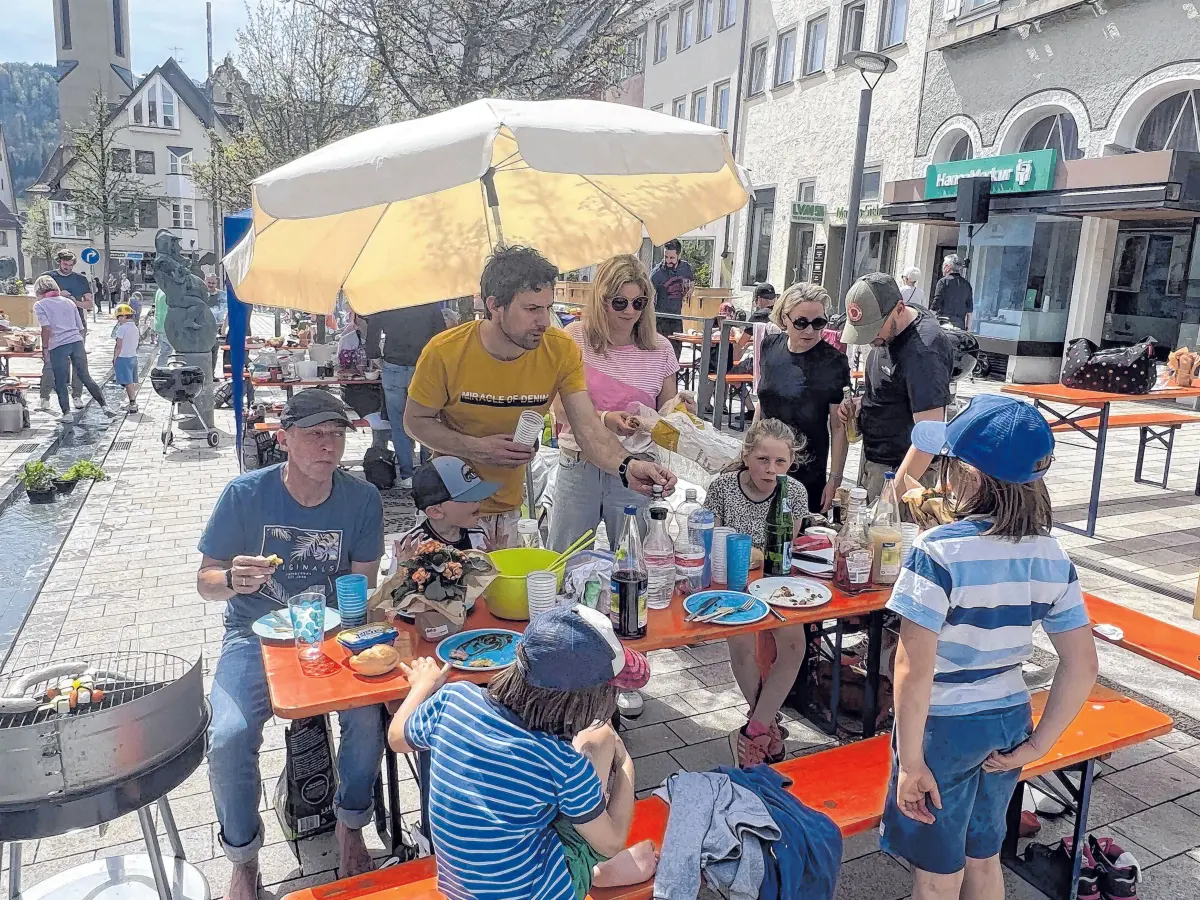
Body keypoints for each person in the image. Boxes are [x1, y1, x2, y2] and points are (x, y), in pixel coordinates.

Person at [880, 394, 1098, 900]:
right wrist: (1040, 744)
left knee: (937, 872)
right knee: (983, 857)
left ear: (970, 478)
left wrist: (910, 763)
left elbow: (912, 667)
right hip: (1008, 720)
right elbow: (1083, 664)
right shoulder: (1051, 554)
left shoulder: (937, 550)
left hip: (943, 727)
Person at [197, 389, 385, 900]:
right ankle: (243, 857)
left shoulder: (362, 498)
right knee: (228, 736)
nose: (328, 445)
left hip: (333, 631)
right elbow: (205, 581)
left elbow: (363, 585)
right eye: (314, 433)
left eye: (337, 434)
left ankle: (351, 823)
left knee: (367, 717)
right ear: (283, 440)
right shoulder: (245, 494)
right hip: (254, 633)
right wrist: (231, 579)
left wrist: (359, 627)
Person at [405, 245, 677, 550]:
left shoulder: (559, 349)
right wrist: (478, 448)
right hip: (447, 509)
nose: (545, 321)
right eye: (532, 309)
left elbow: (587, 427)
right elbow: (415, 422)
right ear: (495, 305)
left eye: (548, 307)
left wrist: (628, 467)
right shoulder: (445, 351)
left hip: (507, 507)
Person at [388, 603, 658, 900]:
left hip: (461, 890)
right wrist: (625, 765)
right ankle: (594, 872)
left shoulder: (453, 700)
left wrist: (423, 686)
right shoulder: (563, 764)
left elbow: (397, 738)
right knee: (600, 738)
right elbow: (612, 842)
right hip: (541, 893)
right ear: (588, 700)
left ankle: (592, 868)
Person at [549, 255, 680, 553]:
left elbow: (667, 417)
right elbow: (559, 410)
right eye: (620, 303)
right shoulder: (573, 338)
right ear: (601, 300)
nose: (630, 311)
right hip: (580, 462)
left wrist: (683, 413)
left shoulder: (660, 349)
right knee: (566, 558)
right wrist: (605, 418)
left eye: (639, 303)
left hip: (638, 463)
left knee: (634, 562)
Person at [701, 418, 808, 766]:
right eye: (763, 459)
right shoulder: (723, 488)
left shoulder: (794, 493)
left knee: (795, 645)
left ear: (791, 462)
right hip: (733, 584)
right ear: (746, 456)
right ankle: (764, 725)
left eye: (780, 461)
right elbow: (712, 545)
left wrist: (753, 554)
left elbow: (785, 545)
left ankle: (756, 727)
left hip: (776, 583)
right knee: (742, 643)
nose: (771, 469)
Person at [837, 273, 954, 500]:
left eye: (874, 329)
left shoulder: (923, 352)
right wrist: (863, 404)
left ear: (899, 309)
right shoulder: (897, 323)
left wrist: (891, 499)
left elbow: (930, 436)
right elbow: (897, 388)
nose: (870, 339)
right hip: (877, 459)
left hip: (899, 472)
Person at [755, 282, 850, 512]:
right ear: (784, 318)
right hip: (763, 465)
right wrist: (746, 451)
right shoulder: (770, 346)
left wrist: (835, 479)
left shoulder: (834, 362)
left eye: (818, 323)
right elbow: (762, 403)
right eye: (801, 322)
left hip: (806, 471)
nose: (810, 331)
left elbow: (839, 427)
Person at [364, 303, 447, 487]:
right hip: (424, 366)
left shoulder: (386, 302)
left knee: (398, 423)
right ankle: (428, 471)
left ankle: (406, 475)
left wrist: (379, 360)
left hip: (393, 366)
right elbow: (442, 336)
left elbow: (372, 340)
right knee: (428, 419)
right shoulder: (428, 303)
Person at [32, 275, 115, 423]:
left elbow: (46, 328)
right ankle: (105, 406)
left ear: (38, 290)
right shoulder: (69, 302)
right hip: (76, 342)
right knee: (85, 376)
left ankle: (67, 414)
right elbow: (80, 326)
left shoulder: (40, 305)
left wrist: (45, 348)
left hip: (58, 345)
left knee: (61, 381)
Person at [405, 455, 496, 551]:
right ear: (435, 511)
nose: (479, 503)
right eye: (468, 498)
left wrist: (496, 556)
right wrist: (405, 561)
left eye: (478, 495)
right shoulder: (412, 546)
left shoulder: (478, 536)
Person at [649, 239, 693, 356]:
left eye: (672, 258)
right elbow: (649, 297)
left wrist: (689, 290)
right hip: (660, 319)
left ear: (679, 255)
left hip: (676, 317)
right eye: (666, 257)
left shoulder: (685, 268)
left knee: (676, 352)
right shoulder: (657, 273)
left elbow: (691, 283)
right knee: (660, 354)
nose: (668, 261)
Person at [930, 255, 973, 330]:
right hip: (960, 325)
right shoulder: (967, 284)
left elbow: (936, 302)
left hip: (944, 323)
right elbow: (969, 310)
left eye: (944, 265)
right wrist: (968, 328)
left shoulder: (943, 282)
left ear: (948, 266)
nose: (943, 267)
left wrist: (929, 317)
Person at [112, 303, 140, 412]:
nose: (118, 320)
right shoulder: (135, 328)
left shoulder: (122, 329)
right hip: (133, 356)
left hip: (123, 358)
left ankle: (133, 403)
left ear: (124, 316)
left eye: (118, 317)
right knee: (131, 381)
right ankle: (131, 401)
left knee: (128, 382)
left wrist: (115, 358)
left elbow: (118, 345)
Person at [154, 286, 172, 365]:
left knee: (165, 351)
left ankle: (160, 368)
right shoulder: (169, 291)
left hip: (159, 325)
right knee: (178, 350)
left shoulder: (160, 290)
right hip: (167, 325)